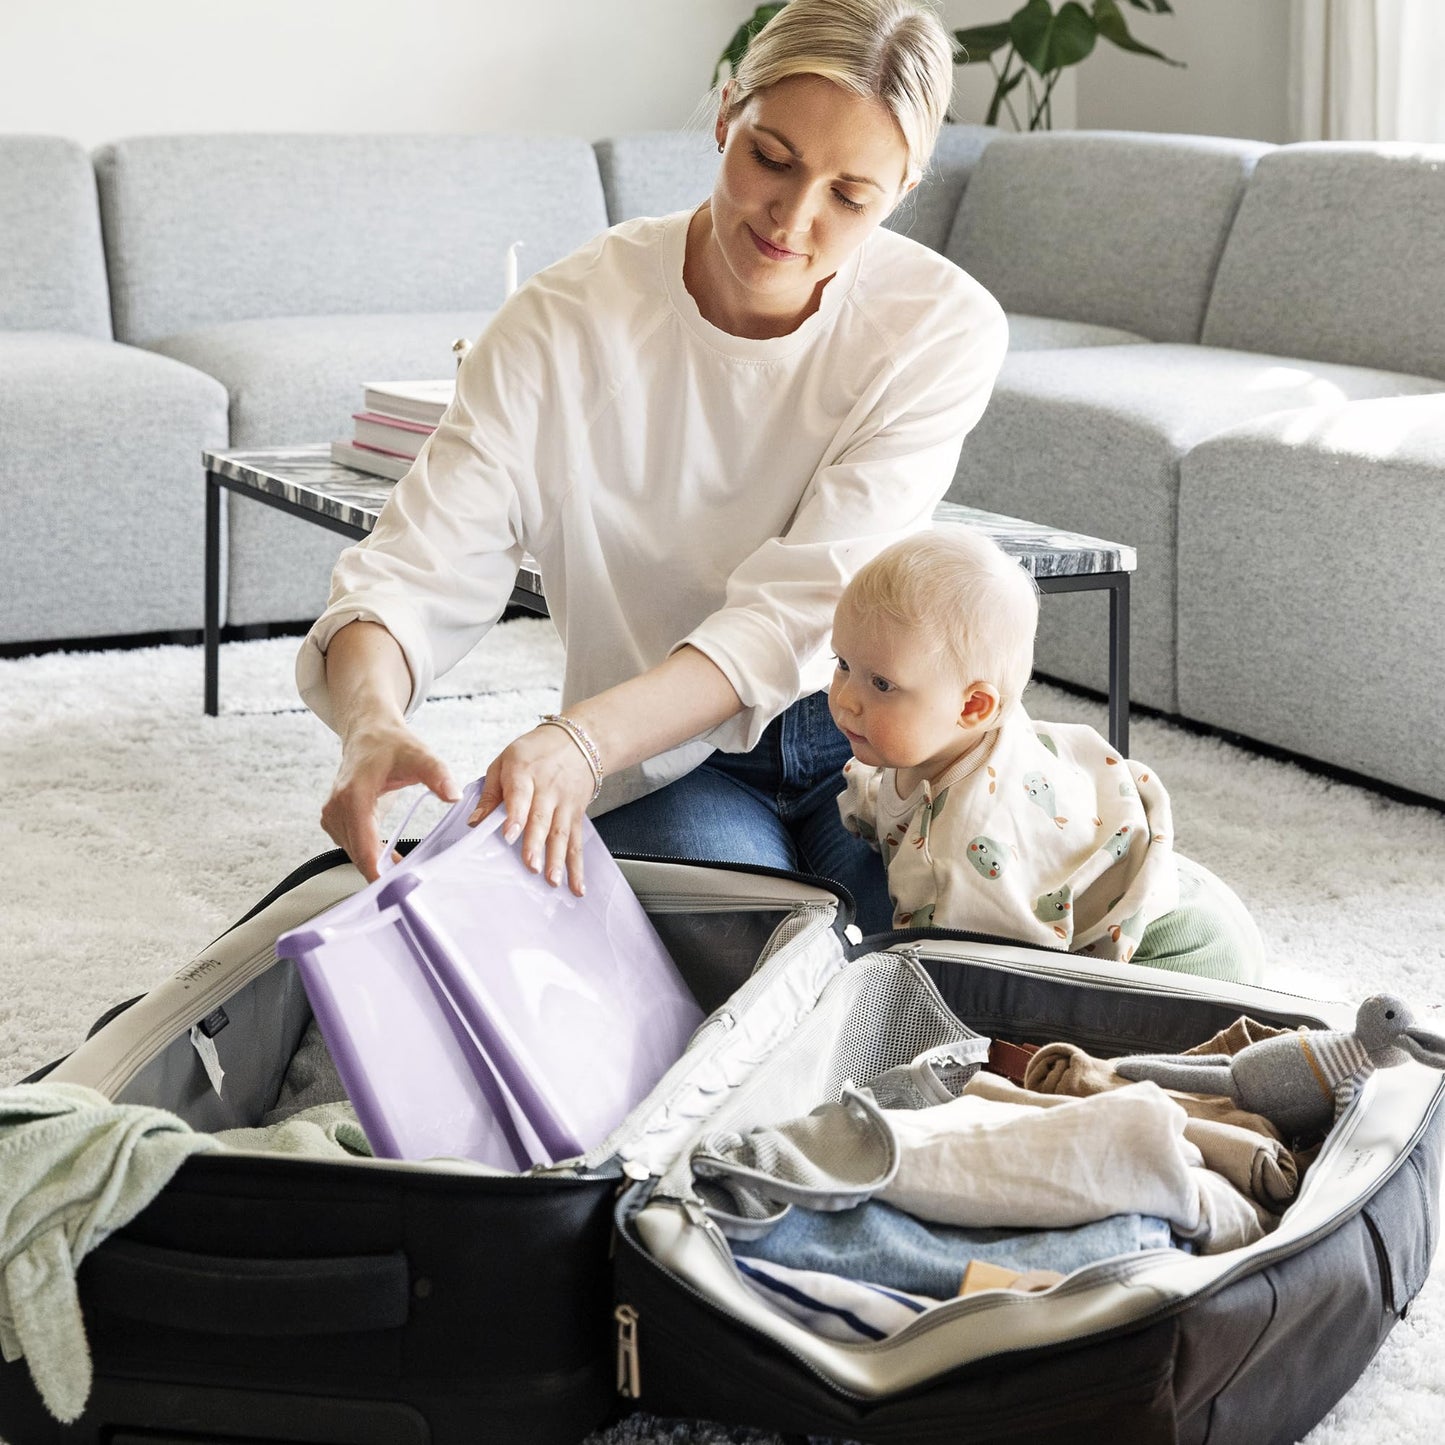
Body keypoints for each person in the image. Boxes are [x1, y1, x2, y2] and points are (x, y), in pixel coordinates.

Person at [298, 0, 1008, 936]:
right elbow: (416, 562)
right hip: (670, 759)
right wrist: (369, 720)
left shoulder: (939, 326)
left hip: (882, 747)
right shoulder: (565, 322)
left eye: (850, 196)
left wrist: (576, 739)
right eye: (772, 158)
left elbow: (798, 609)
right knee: (755, 963)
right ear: (726, 115)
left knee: (955, 958)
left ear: (905, 187)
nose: (793, 219)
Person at [830, 528, 1267, 980]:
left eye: (881, 684)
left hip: (1178, 954)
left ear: (973, 707)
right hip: (1184, 889)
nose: (845, 699)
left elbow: (979, 985)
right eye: (842, 664)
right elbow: (889, 800)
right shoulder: (966, 736)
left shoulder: (960, 861)